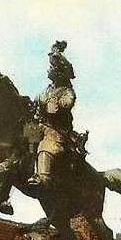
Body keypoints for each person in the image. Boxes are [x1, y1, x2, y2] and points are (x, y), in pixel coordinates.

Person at [29, 40, 87, 188]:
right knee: (22, 140)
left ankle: (43, 179)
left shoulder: (68, 93)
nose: (50, 69)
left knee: (45, 147)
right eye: (51, 66)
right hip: (39, 127)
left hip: (57, 132)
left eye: (53, 67)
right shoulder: (45, 90)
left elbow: (63, 107)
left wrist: (53, 104)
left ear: (60, 73)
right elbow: (35, 106)